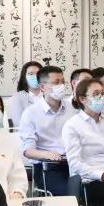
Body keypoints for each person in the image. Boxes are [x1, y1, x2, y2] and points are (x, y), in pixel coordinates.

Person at [62, 77, 104, 206]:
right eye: (96, 94)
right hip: (91, 179)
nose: (101, 97)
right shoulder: (72, 126)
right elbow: (75, 163)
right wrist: (101, 175)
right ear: (83, 99)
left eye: (102, 93)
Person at [19, 66, 76, 194]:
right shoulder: (31, 113)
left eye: (63, 82)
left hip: (74, 162)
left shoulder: (72, 109)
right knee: (70, 192)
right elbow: (28, 150)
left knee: (95, 187)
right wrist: (47, 155)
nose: (61, 86)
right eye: (56, 82)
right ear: (42, 87)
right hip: (47, 166)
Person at [8, 61, 44, 128]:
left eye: (38, 73)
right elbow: (18, 123)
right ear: (24, 77)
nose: (35, 76)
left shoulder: (48, 95)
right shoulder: (17, 97)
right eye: (31, 74)